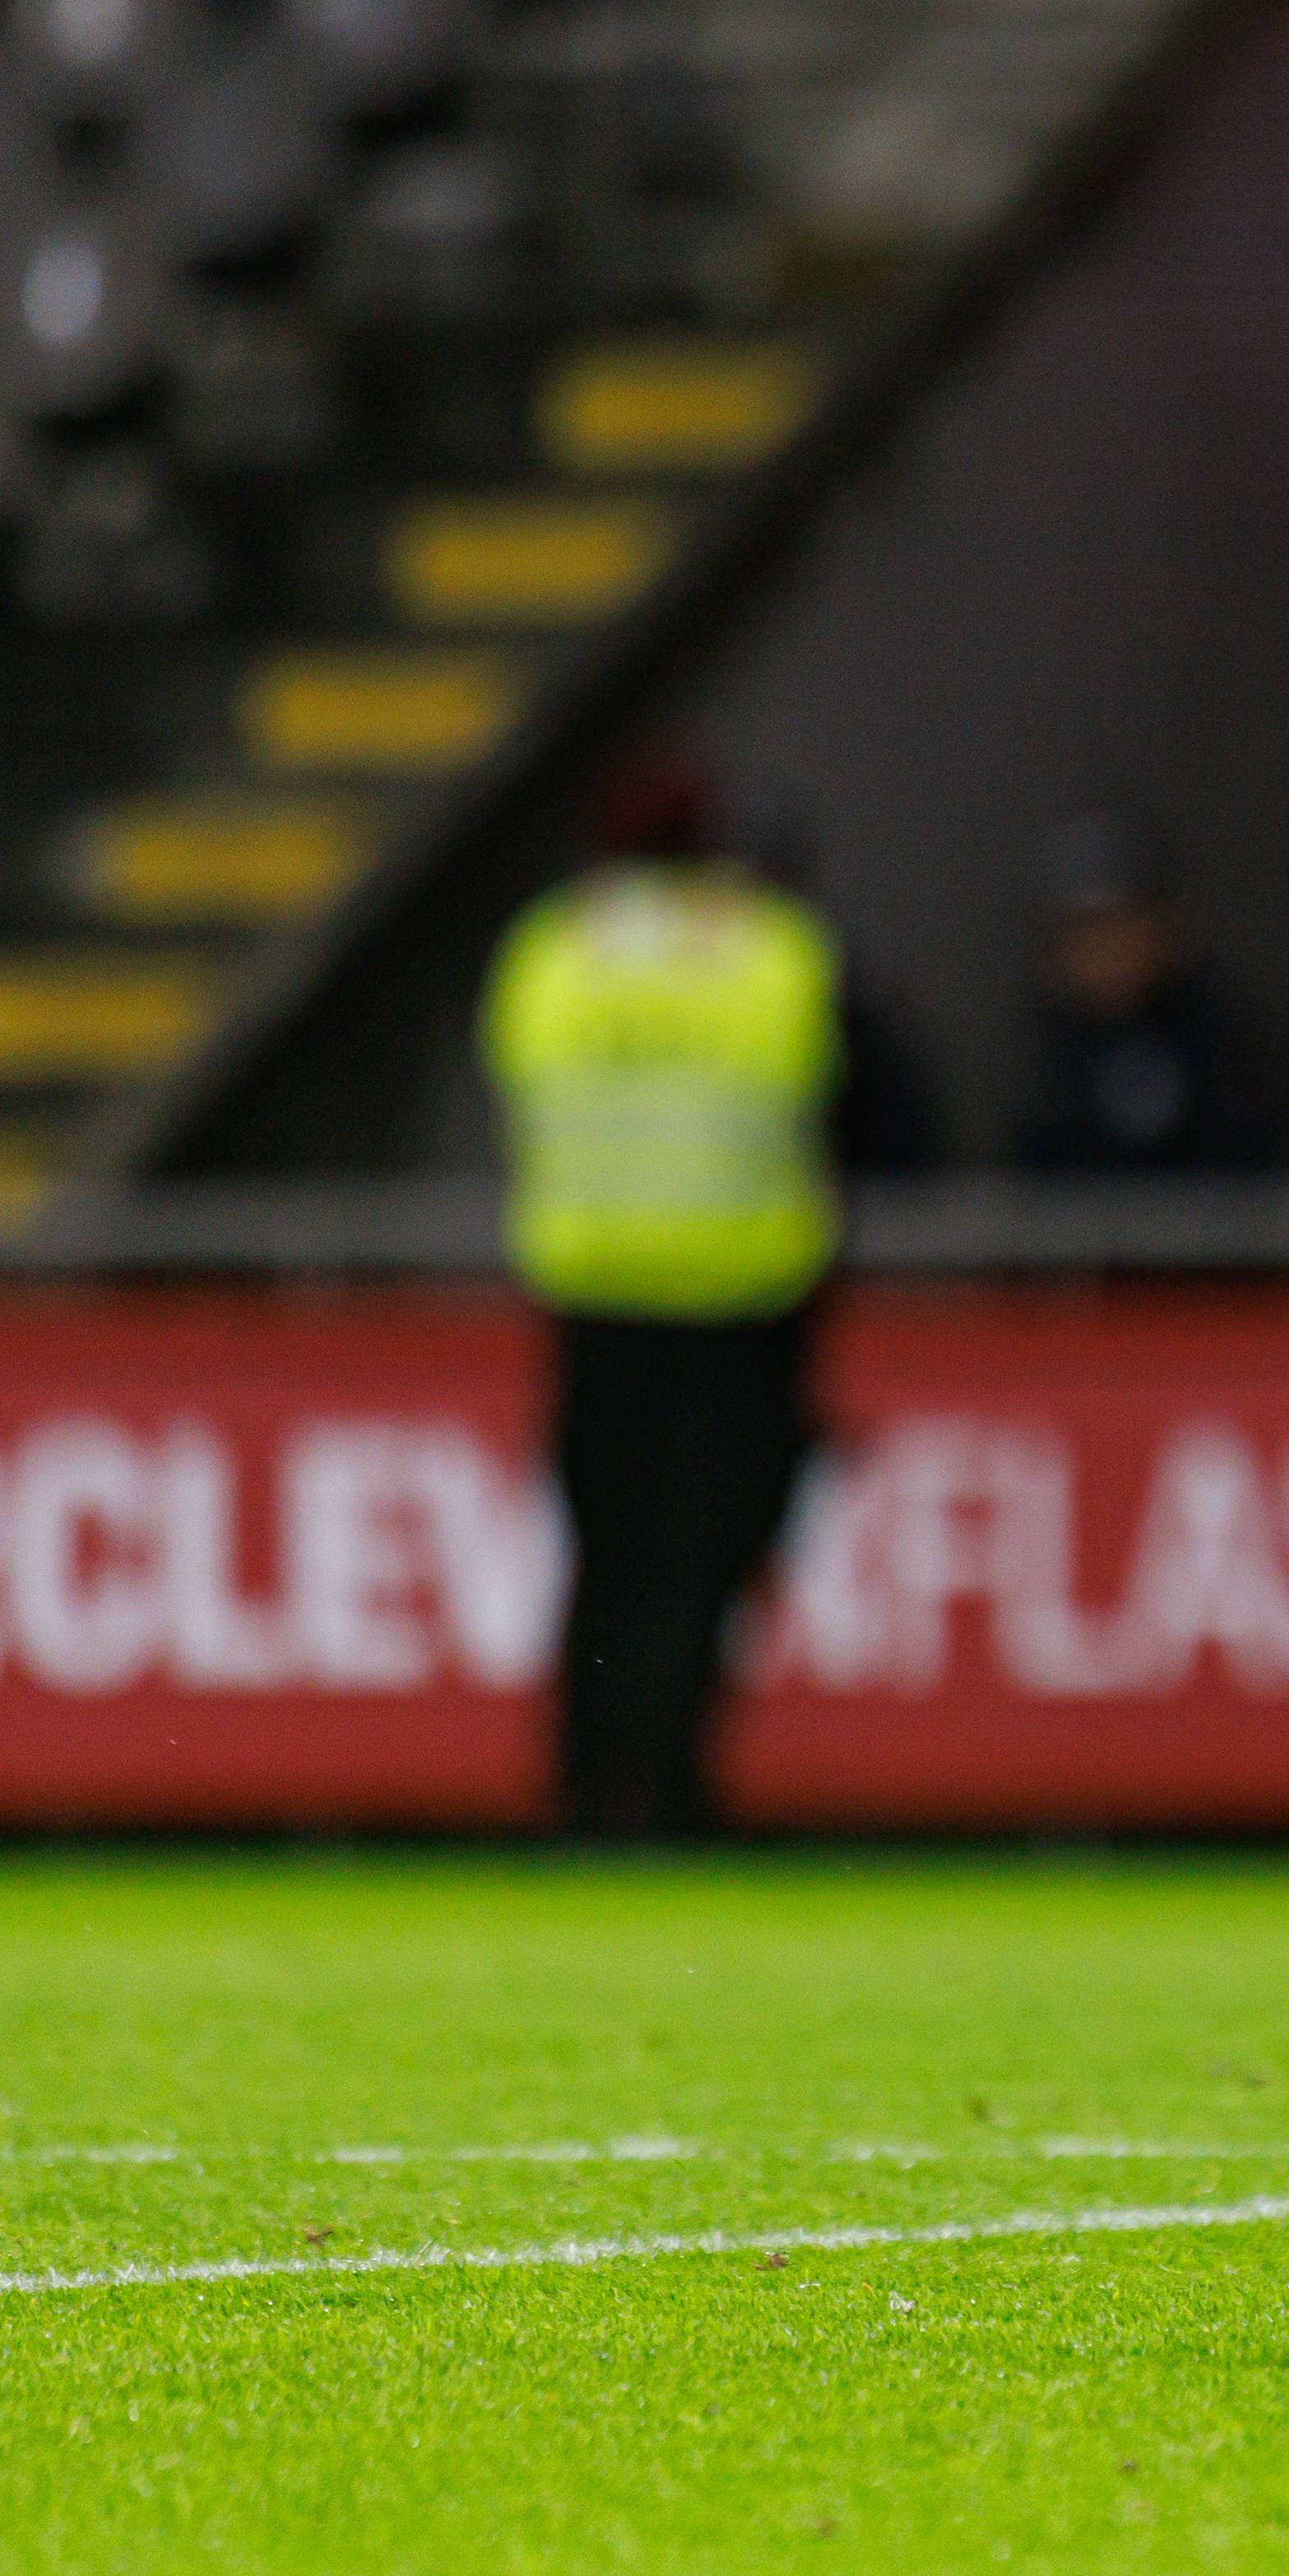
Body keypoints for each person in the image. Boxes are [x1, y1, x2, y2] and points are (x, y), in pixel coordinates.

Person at [481, 759, 845, 1839]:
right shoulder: (768, 952)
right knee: (703, 1563)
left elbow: (521, 1085)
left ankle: (586, 1784)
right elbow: (818, 1091)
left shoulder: (553, 952)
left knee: (603, 1555)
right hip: (740, 1299)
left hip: (592, 1293)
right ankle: (673, 1789)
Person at [1008, 813, 1289, 1171]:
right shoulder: (1039, 1056)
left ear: (1169, 928)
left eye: (1121, 926)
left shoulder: (1226, 1043)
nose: (1106, 951)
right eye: (1086, 933)